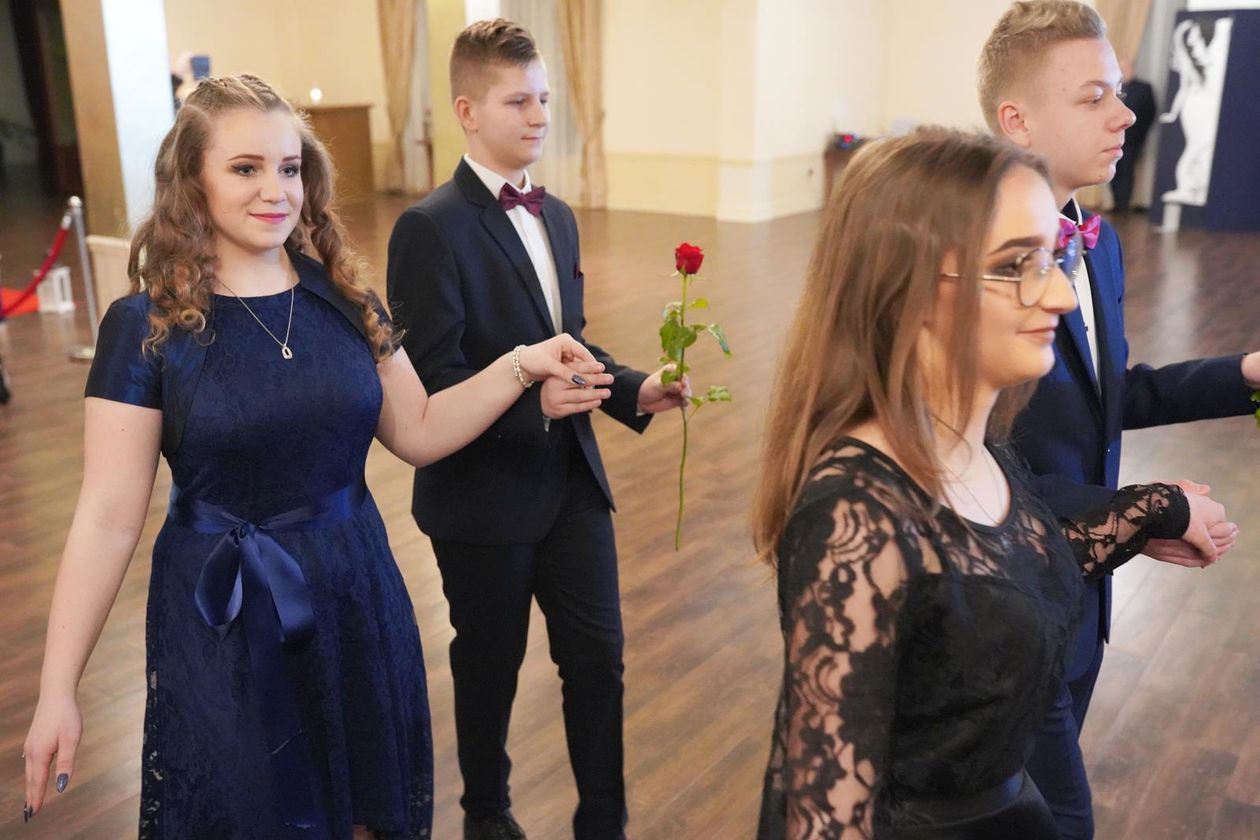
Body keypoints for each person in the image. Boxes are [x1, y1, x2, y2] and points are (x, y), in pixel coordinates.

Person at [20, 74, 605, 839]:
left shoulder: (345, 298)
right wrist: (58, 687)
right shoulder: (146, 326)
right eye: (245, 168)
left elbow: (420, 427)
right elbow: (106, 517)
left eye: (290, 168)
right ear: (192, 180)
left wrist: (522, 364)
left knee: (362, 809)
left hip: (354, 591)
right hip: (224, 612)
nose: (276, 191)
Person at [752, 127, 1220, 839]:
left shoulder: (982, 448)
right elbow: (824, 816)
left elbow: (991, 591)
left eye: (1055, 257)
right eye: (1016, 264)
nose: (1061, 295)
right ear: (907, 289)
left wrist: (1151, 509)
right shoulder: (856, 511)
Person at [386, 19, 688, 840]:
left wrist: (634, 389)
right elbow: (429, 383)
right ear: (467, 111)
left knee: (598, 661)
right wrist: (530, 406)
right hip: (481, 494)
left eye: (545, 99)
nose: (540, 116)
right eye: (519, 100)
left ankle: (603, 824)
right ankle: (486, 815)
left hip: (572, 484)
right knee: (490, 668)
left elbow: (569, 340)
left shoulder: (557, 216)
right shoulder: (429, 228)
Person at [978, 3, 1259, 836]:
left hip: (1083, 593)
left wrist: (1245, 375)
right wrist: (1141, 511)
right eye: (1094, 96)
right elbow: (969, 467)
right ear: (1017, 120)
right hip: (1003, 609)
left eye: (1119, 93)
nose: (1126, 115)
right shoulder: (971, 265)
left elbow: (1107, 396)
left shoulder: (1096, 244)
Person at [1109, 60, 1155, 213]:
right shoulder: (1111, 87)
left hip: (1132, 141)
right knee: (1113, 172)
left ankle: (1123, 206)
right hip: (1112, 138)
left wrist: (1139, 135)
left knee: (1127, 172)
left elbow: (1150, 114)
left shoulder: (1143, 88)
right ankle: (1116, 204)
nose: (1123, 71)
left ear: (1132, 69)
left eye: (1125, 68)